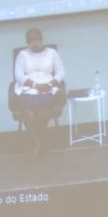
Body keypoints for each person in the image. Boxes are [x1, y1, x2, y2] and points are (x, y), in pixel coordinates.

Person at [12, 27, 65, 156]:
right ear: (27, 42)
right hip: (29, 90)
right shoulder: (22, 54)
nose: (34, 42)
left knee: (41, 113)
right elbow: (18, 75)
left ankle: (35, 144)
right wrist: (35, 85)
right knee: (28, 114)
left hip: (47, 89)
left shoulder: (52, 53)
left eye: (36, 39)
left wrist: (50, 84)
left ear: (41, 39)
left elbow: (60, 73)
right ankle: (39, 143)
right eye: (30, 40)